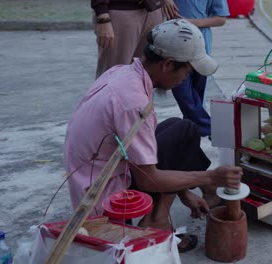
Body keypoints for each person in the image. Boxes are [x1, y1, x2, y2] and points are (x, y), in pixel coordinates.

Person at [64, 19, 242, 252]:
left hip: (103, 169)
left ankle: (162, 212)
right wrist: (209, 178)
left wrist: (186, 193)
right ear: (168, 64)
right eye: (186, 72)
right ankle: (156, 222)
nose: (184, 79)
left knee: (182, 128)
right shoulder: (133, 103)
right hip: (103, 197)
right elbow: (150, 179)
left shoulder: (123, 72)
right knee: (175, 146)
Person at [169, 0, 230, 137]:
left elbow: (221, 19)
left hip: (201, 46)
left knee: (197, 95)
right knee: (182, 91)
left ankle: (193, 131)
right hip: (175, 44)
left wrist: (193, 22)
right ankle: (210, 128)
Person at [91, 0, 180, 78]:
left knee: (144, 76)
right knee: (112, 76)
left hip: (153, 10)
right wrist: (102, 16)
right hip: (122, 11)